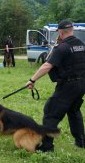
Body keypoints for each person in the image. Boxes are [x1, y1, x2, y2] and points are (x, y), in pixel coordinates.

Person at [26, 19, 85, 152]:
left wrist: (32, 80)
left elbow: (47, 66)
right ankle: (81, 142)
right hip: (81, 84)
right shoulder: (82, 45)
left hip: (68, 85)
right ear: (72, 30)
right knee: (74, 111)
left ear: (60, 32)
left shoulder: (62, 47)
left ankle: (46, 147)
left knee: (50, 113)